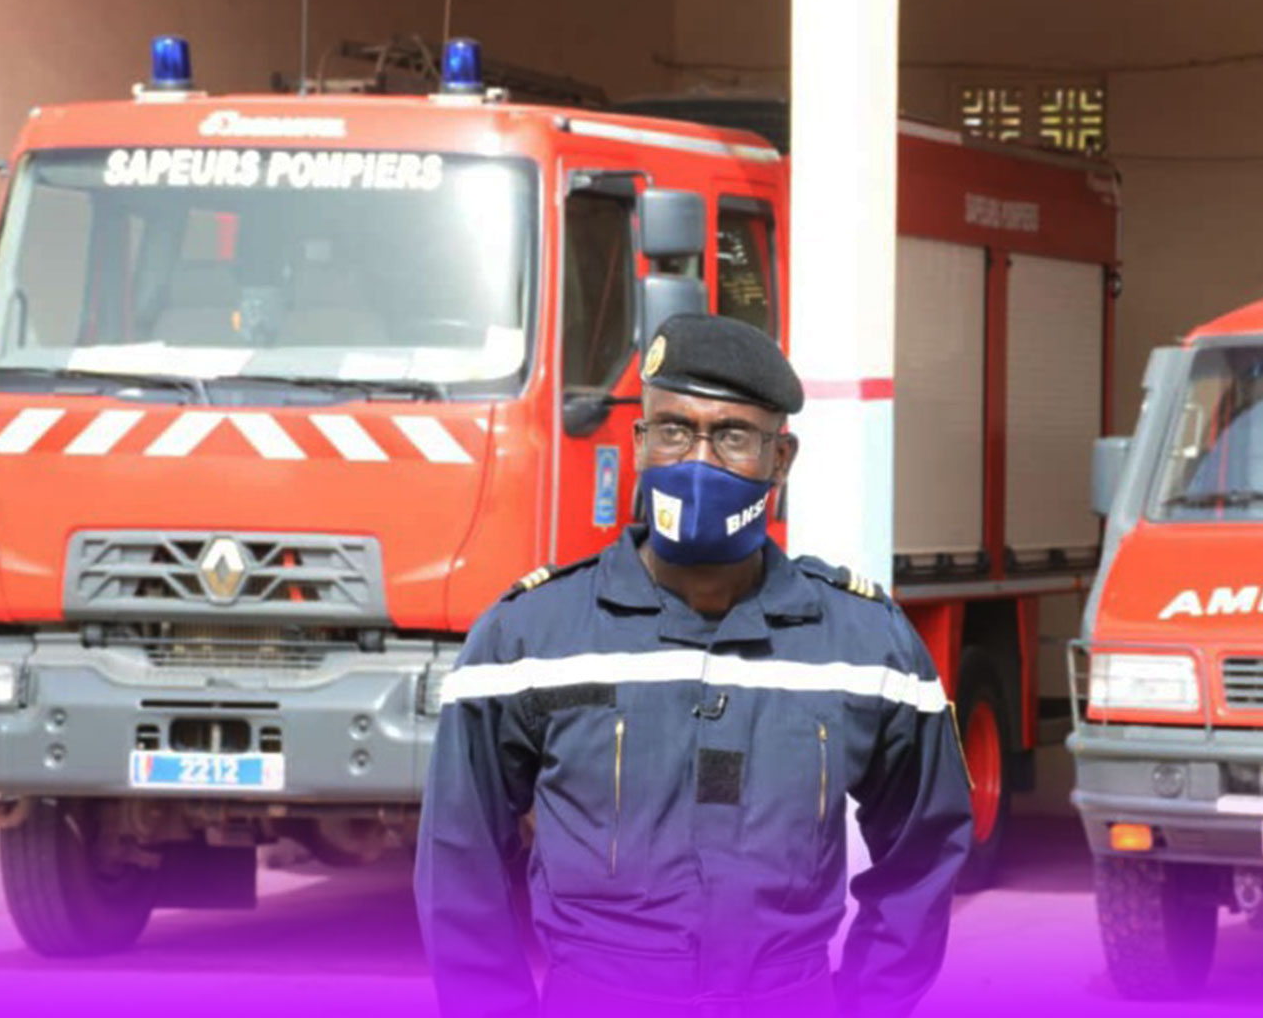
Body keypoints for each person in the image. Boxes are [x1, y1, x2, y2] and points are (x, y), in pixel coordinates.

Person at [415, 314, 973, 1018]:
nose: (699, 461)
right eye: (675, 430)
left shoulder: (866, 646)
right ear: (639, 442)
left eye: (733, 435)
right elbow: (457, 863)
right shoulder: (527, 639)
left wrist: (869, 1004)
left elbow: (925, 849)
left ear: (781, 458)